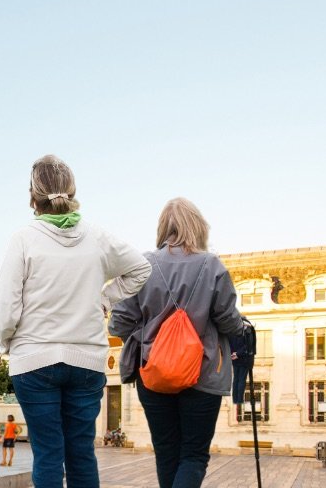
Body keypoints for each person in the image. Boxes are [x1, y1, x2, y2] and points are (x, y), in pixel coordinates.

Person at [0, 155, 152, 488]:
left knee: (48, 455)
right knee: (81, 453)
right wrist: (104, 299)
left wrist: (7, 340)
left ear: (32, 196)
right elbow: (141, 269)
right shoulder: (97, 237)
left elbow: (5, 302)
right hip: (86, 360)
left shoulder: (24, 239)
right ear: (72, 191)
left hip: (34, 359)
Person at [110, 198, 245, 488]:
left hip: (154, 375)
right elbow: (228, 320)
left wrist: (148, 341)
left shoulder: (143, 265)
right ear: (198, 228)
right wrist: (240, 326)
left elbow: (118, 321)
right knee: (193, 455)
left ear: (162, 228)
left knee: (167, 454)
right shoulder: (211, 266)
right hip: (203, 373)